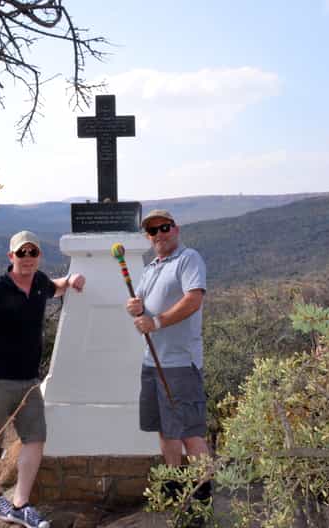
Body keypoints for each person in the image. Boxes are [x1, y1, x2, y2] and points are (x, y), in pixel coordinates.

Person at [0, 230, 85, 528]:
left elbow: (54, 288)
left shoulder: (40, 283)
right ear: (11, 257)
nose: (28, 258)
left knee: (35, 438)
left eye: (33, 252)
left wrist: (69, 283)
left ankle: (20, 503)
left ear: (38, 256)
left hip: (29, 381)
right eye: (22, 253)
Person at [125, 209, 212, 525]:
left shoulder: (188, 259)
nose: (159, 234)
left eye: (164, 228)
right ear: (148, 237)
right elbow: (144, 312)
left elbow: (193, 300)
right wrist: (137, 307)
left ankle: (201, 499)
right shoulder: (151, 268)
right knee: (165, 430)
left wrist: (157, 321)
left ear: (176, 229)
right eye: (152, 231)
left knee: (190, 433)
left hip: (179, 364)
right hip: (152, 362)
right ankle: (176, 491)